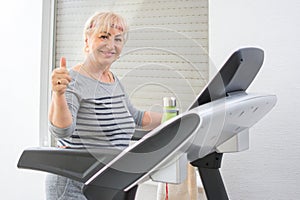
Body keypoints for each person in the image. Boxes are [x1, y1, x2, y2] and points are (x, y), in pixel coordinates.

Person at [45, 11, 162, 200]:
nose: (111, 45)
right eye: (104, 36)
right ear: (87, 40)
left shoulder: (113, 81)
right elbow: (62, 130)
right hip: (75, 185)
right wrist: (58, 95)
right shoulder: (73, 81)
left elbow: (137, 118)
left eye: (118, 39)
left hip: (106, 184)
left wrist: (180, 117)